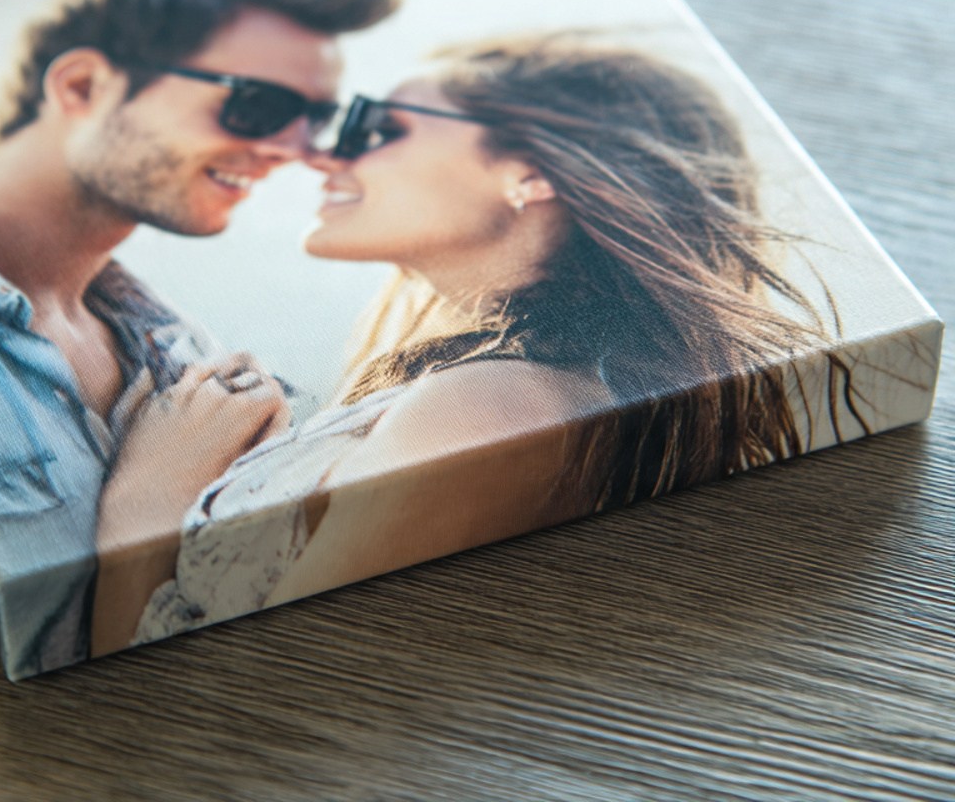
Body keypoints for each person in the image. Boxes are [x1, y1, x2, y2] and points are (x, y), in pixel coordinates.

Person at [109, 35, 855, 651]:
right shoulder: (519, 391)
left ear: (528, 173)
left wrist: (150, 495)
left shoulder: (490, 406)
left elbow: (251, 681)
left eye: (379, 129)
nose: (326, 156)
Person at [0, 0, 397, 678]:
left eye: (316, 120)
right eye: (257, 104)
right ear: (82, 86)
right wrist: (148, 505)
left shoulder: (182, 346)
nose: (292, 152)